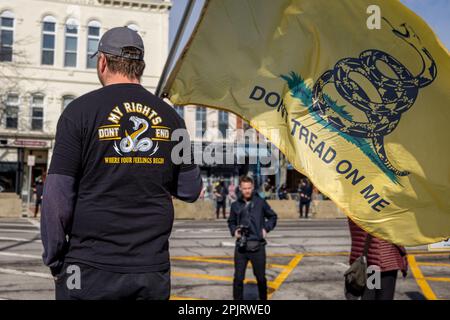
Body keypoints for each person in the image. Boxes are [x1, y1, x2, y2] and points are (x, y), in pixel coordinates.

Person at [40, 27, 202, 300]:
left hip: (88, 266)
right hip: (151, 269)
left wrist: (56, 260)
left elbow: (56, 197)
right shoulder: (172, 119)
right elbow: (190, 188)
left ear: (102, 62)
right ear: (140, 67)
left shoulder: (78, 112)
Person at [228, 176, 277, 300]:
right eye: (244, 188)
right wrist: (235, 231)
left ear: (253, 187)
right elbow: (231, 221)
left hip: (258, 247)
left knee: (261, 278)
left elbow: (273, 217)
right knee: (238, 278)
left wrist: (266, 228)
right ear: (240, 188)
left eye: (249, 188)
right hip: (241, 247)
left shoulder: (260, 202)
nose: (247, 191)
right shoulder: (235, 205)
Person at [347, 218, 408, 300]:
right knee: (384, 296)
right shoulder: (382, 208)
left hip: (365, 260)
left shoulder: (351, 208)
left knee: (369, 295)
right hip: (385, 259)